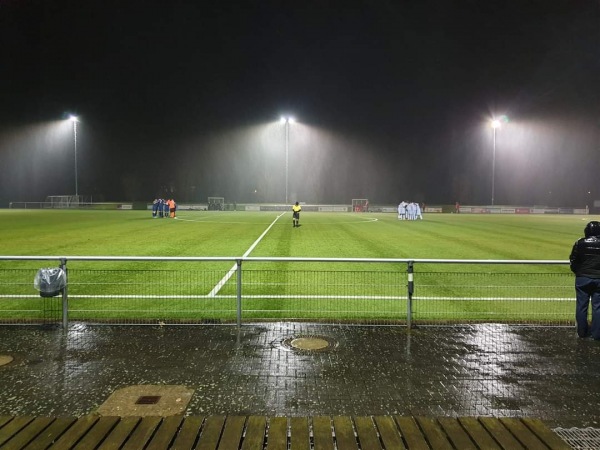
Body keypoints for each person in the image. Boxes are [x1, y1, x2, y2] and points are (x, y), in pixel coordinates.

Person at [569, 221, 600, 339]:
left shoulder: (579, 243)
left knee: (581, 306)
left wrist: (579, 272)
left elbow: (573, 260)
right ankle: (596, 334)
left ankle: (582, 333)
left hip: (583, 279)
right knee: (598, 307)